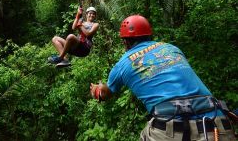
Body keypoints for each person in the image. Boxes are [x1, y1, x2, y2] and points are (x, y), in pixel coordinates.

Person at [90, 15, 236, 140]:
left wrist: (98, 90)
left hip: (169, 128)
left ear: (125, 42)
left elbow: (106, 93)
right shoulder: (171, 48)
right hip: (216, 123)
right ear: (149, 35)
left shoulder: (123, 63)